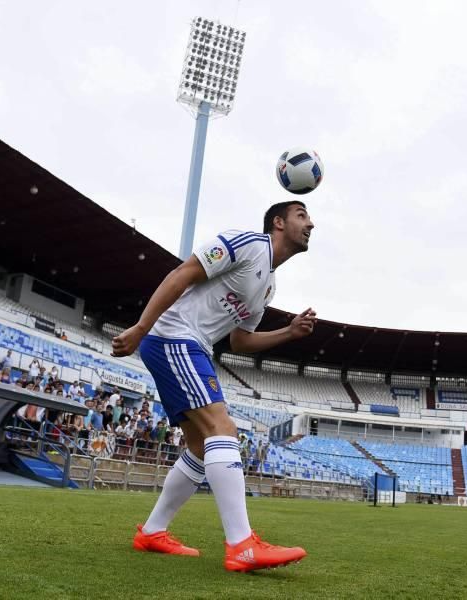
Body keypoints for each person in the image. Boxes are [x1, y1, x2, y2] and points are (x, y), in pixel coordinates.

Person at [112, 200, 315, 572]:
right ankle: (242, 545)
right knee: (223, 429)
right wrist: (141, 329)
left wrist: (289, 332)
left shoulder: (268, 285)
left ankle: (153, 532)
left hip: (194, 346)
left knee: (202, 447)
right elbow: (183, 273)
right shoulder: (247, 242)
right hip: (174, 337)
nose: (310, 223)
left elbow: (239, 342)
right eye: (301, 215)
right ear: (278, 222)